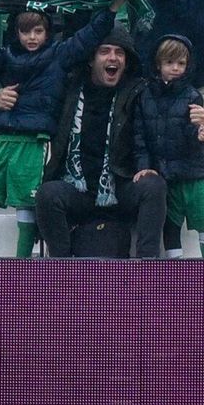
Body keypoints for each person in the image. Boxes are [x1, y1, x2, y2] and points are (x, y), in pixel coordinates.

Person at [0, 0, 117, 258]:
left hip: (34, 142)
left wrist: (111, 10)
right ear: (16, 32)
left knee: (25, 203)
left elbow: (88, 37)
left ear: (47, 31)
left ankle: (23, 263)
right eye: (25, 31)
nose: (32, 37)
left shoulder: (60, 55)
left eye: (38, 31)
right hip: (1, 141)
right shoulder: (6, 58)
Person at [33, 23, 169, 258]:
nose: (113, 57)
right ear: (90, 59)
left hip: (121, 188)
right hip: (78, 191)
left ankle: (149, 269)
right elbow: (30, 93)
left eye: (119, 52)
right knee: (47, 194)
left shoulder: (138, 91)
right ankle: (60, 269)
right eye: (105, 51)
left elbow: (171, 106)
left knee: (153, 185)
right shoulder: (69, 89)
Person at [132, 35, 204, 258]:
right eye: (170, 63)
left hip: (193, 174)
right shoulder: (144, 96)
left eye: (181, 63)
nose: (176, 68)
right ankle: (175, 275)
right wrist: (143, 165)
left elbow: (194, 129)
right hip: (166, 177)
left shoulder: (192, 95)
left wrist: (201, 134)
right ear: (158, 64)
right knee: (170, 228)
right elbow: (139, 137)